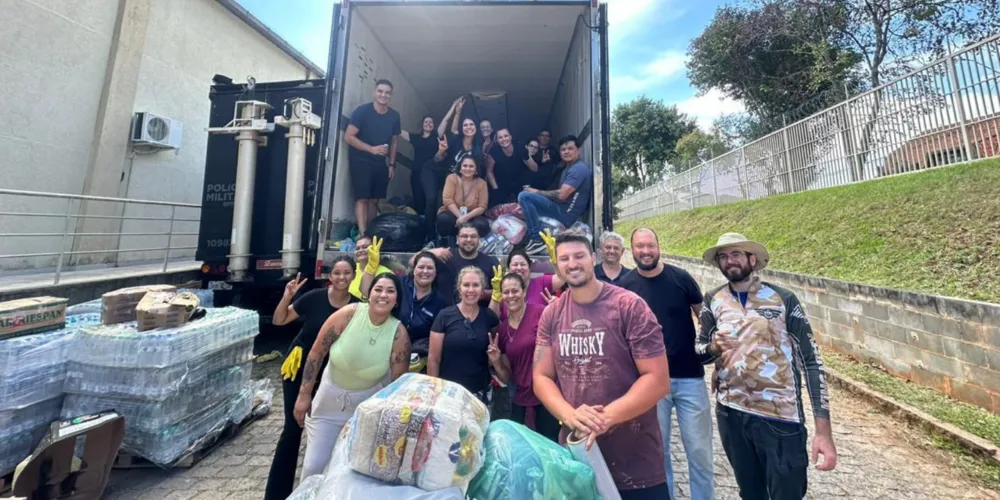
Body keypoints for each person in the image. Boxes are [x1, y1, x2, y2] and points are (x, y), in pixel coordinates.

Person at [696, 232, 837, 499]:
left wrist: (823, 431)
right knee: (750, 493)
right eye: (723, 257)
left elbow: (812, 362)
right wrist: (714, 347)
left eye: (736, 254)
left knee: (787, 493)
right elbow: (699, 352)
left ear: (752, 259)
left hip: (780, 417)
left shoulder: (783, 299)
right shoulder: (713, 299)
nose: (729, 261)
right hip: (731, 413)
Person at [533, 231, 672, 499]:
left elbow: (657, 379)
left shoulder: (629, 306)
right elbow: (541, 376)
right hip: (579, 460)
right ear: (557, 266)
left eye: (579, 256)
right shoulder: (552, 314)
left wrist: (604, 418)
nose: (572, 263)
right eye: (564, 258)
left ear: (593, 259)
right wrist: (570, 416)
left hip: (636, 461)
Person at [619, 228, 713, 500]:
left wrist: (713, 357)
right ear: (632, 250)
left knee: (700, 453)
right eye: (639, 246)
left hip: (689, 378)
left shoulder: (681, 279)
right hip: (648, 383)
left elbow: (705, 318)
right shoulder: (626, 286)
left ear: (658, 246)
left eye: (649, 245)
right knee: (659, 454)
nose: (645, 251)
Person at [293, 272, 411, 480]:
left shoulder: (399, 335)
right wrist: (304, 395)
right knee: (313, 466)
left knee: (348, 472)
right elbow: (316, 353)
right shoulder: (348, 314)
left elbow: (397, 385)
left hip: (364, 410)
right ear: (369, 293)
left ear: (397, 300)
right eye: (378, 289)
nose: (383, 295)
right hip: (328, 403)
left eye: (390, 291)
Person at [264, 258, 359, 500]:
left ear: (353, 276)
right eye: (337, 272)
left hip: (331, 375)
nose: (341, 277)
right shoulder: (314, 298)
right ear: (330, 275)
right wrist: (288, 296)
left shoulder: (357, 307)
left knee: (328, 432)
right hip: (300, 368)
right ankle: (276, 494)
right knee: (293, 428)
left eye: (347, 273)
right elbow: (279, 320)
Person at [487, 272, 560, 441]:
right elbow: (508, 376)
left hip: (547, 395)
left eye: (515, 291)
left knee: (550, 447)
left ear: (524, 291)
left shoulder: (541, 313)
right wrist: (496, 361)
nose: (511, 296)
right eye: (506, 292)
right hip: (520, 400)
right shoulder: (502, 330)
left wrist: (558, 312)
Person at [428, 266, 502, 405]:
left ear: (482, 290)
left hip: (481, 392)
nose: (471, 290)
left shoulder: (488, 316)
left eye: (476, 285)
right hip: (449, 393)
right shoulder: (444, 316)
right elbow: (434, 359)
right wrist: (434, 392)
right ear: (459, 288)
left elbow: (495, 336)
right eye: (466, 285)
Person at [362, 247, 447, 357]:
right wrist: (370, 269)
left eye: (430, 268)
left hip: (417, 358)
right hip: (384, 348)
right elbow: (366, 290)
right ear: (414, 270)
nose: (425, 271)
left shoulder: (440, 303)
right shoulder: (399, 284)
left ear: (436, 273)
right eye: (421, 267)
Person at [518, 135, 592, 256]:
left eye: (570, 148)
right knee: (525, 206)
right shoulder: (567, 168)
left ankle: (536, 239)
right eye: (563, 149)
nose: (566, 152)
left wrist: (536, 192)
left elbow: (562, 194)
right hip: (560, 208)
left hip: (564, 214)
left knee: (524, 196)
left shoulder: (579, 169)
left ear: (578, 150)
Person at [345, 79, 401, 236]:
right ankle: (363, 236)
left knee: (375, 201)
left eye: (387, 93)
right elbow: (348, 137)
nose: (383, 95)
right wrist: (371, 149)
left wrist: (391, 164)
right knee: (362, 198)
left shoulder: (394, 116)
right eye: (380, 91)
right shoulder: (362, 112)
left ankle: (369, 232)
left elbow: (394, 140)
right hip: (360, 161)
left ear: (391, 96)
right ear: (374, 92)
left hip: (380, 163)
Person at [421, 223, 499, 306]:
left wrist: (482, 293)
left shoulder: (490, 262)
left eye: (473, 236)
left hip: (479, 315)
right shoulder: (444, 255)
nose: (469, 239)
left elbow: (502, 290)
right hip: (444, 313)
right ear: (457, 239)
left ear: (479, 239)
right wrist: (432, 252)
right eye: (464, 236)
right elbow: (412, 263)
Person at [489, 247, 562, 311]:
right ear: (508, 268)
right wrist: (495, 295)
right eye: (515, 264)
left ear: (529, 267)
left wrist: (556, 261)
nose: (519, 268)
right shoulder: (504, 290)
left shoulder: (542, 282)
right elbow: (492, 318)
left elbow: (562, 277)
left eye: (523, 264)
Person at [436, 155, 490, 238]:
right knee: (444, 219)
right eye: (465, 166)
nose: (467, 169)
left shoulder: (482, 183)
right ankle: (446, 242)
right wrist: (460, 217)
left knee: (482, 225)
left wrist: (466, 217)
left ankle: (472, 244)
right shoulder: (452, 178)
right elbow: (447, 200)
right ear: (460, 168)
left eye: (471, 166)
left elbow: (482, 207)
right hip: (453, 213)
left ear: (476, 169)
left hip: (472, 215)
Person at [399, 115, 438, 215]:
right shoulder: (415, 138)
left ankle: (430, 224)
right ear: (422, 125)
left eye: (431, 122)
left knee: (431, 200)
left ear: (433, 126)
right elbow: (399, 132)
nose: (428, 124)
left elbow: (445, 122)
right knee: (418, 199)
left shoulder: (436, 138)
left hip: (432, 175)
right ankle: (420, 223)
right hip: (417, 173)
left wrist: (454, 108)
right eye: (426, 122)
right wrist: (389, 120)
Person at [486, 128, 535, 206]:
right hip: (501, 185)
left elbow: (534, 169)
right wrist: (496, 189)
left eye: (506, 136)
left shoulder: (520, 148)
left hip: (519, 184)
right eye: (500, 137)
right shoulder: (493, 152)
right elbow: (489, 171)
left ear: (510, 137)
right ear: (497, 140)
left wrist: (527, 156)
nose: (504, 139)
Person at [349, 235, 390, 300]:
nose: (360, 250)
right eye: (357, 248)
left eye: (365, 247)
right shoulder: (349, 269)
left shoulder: (386, 273)